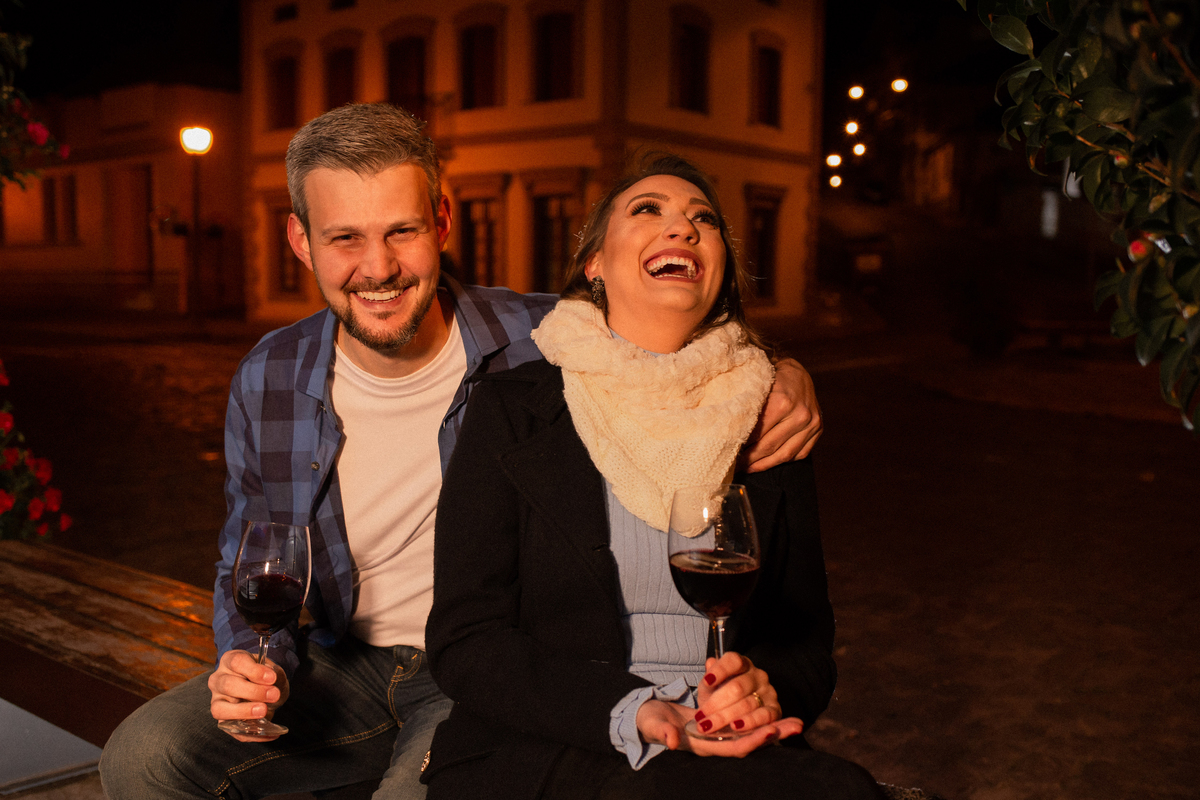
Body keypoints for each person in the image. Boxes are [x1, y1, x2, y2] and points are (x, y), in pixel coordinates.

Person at [98, 105, 823, 800]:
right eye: (345, 238)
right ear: (300, 241)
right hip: (342, 664)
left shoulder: (544, 338)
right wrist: (251, 664)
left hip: (478, 669)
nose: (378, 267)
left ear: (441, 222)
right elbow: (248, 556)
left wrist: (781, 373)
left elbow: (667, 334)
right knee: (144, 757)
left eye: (402, 231)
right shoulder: (270, 375)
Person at [423, 152, 884, 800]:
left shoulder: (770, 415)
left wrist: (765, 690)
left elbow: (806, 642)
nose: (684, 227)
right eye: (647, 210)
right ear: (595, 264)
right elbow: (466, 640)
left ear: (720, 270)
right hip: (555, 742)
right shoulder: (513, 410)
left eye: (704, 219)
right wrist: (633, 710)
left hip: (724, 746)